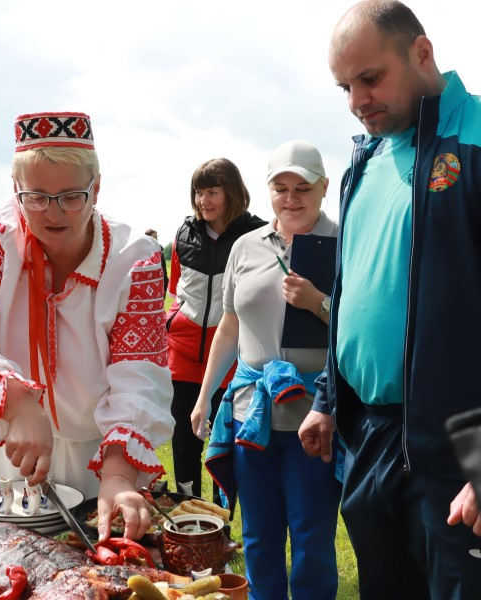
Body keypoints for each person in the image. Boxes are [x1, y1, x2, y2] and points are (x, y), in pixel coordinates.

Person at [298, 2, 481, 598]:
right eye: (344, 87)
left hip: (469, 452)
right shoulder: (364, 164)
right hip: (371, 445)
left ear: (422, 52)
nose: (357, 101)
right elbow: (357, 294)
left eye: (370, 78)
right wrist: (329, 397)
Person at [0, 111, 175, 541]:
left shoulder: (133, 258)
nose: (54, 213)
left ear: (97, 187)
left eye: (72, 196)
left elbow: (139, 376)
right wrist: (17, 402)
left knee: (95, 562)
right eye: (36, 197)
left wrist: (119, 475)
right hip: (9, 442)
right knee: (7, 560)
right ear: (15, 188)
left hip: (101, 453)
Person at [192, 142, 341, 599]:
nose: (291, 198)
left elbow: (365, 328)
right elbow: (229, 325)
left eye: (303, 188)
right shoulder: (246, 246)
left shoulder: (345, 243)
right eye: (281, 188)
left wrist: (318, 303)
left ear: (324, 187)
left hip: (315, 415)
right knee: (258, 535)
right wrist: (205, 395)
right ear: (269, 190)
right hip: (250, 416)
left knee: (312, 536)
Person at [166, 158, 265, 501]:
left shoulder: (256, 235)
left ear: (231, 193)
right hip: (182, 355)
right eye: (198, 192)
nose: (203, 201)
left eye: (212, 192)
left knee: (227, 444)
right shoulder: (183, 234)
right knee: (184, 441)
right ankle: (188, 510)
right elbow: (176, 290)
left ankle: (220, 518)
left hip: (232, 357)